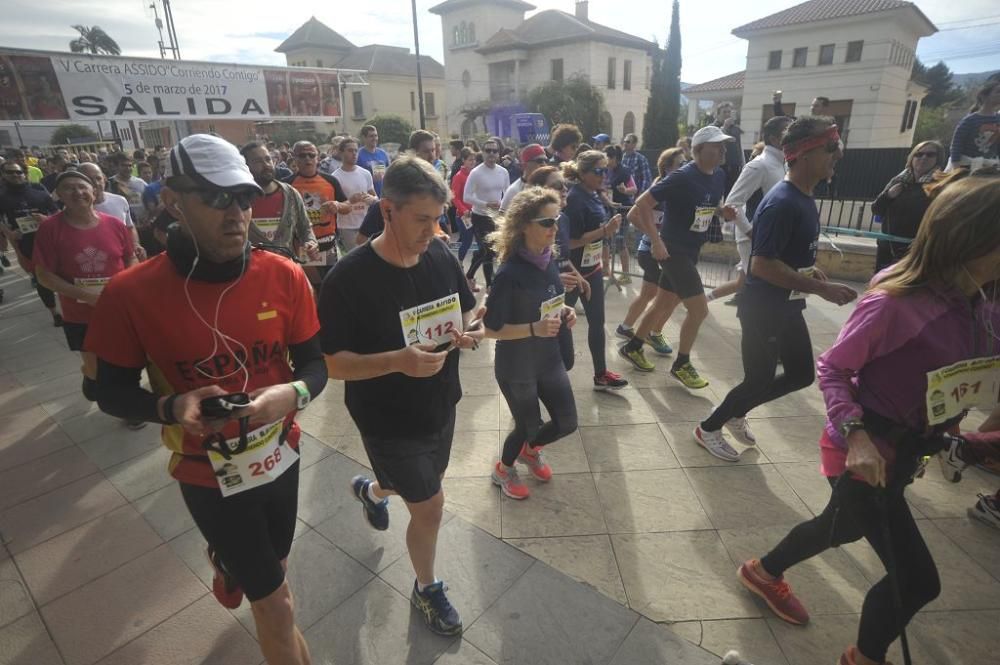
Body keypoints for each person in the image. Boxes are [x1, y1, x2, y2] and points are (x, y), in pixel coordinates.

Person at [737, 171, 1000, 665]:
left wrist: (956, 436)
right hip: (865, 447)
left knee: (841, 527)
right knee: (917, 579)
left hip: (910, 449)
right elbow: (834, 367)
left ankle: (763, 571)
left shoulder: (987, 302)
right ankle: (864, 656)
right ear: (977, 238)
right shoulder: (897, 303)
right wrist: (856, 436)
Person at [85, 134, 325, 665]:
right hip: (207, 471)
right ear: (173, 200)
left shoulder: (283, 274)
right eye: (216, 198)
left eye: (243, 196)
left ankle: (231, 563)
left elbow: (316, 364)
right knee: (278, 605)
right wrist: (170, 408)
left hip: (281, 452)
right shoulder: (129, 294)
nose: (237, 212)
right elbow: (103, 390)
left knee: (276, 571)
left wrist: (292, 392)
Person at [320, 156, 484, 636]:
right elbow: (329, 363)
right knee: (430, 505)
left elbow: (467, 313)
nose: (434, 230)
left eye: (439, 219)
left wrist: (468, 332)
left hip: (441, 401)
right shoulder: (348, 279)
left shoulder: (440, 255)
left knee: (416, 485)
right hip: (385, 416)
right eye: (422, 219)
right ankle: (426, 588)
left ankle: (372, 491)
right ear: (387, 211)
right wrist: (397, 360)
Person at [695, 117, 858, 461]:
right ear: (802, 153)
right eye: (831, 147)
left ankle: (737, 412)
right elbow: (762, 264)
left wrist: (812, 272)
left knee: (800, 374)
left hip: (786, 305)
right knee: (758, 378)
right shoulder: (782, 202)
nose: (838, 154)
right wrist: (818, 288)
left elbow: (784, 255)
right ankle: (709, 427)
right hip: (763, 308)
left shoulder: (804, 197)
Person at [621, 126, 737, 385]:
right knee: (699, 310)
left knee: (663, 303)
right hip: (673, 250)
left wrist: (721, 212)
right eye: (716, 146)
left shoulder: (718, 175)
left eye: (723, 146)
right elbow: (641, 203)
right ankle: (682, 364)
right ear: (697, 150)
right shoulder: (683, 176)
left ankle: (634, 346)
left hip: (692, 248)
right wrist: (656, 240)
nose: (722, 150)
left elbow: (706, 206)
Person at [484, 187, 579, 499]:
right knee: (528, 425)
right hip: (517, 365)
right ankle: (503, 469)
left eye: (557, 220)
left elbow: (548, 300)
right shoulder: (509, 273)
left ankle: (531, 450)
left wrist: (562, 311)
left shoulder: (547, 259)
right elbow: (490, 329)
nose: (555, 228)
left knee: (567, 422)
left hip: (548, 358)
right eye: (547, 222)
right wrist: (534, 328)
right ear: (524, 225)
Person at [32, 171, 137, 416]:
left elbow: (130, 257)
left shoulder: (115, 224)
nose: (77, 192)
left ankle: (128, 409)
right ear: (58, 195)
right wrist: (87, 295)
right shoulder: (50, 228)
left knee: (128, 361)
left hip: (117, 310)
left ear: (93, 191)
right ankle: (90, 378)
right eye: (69, 188)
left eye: (82, 187)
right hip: (80, 314)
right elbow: (44, 275)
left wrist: (125, 287)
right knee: (95, 370)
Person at [707, 115, 792, 304]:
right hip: (755, 239)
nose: (794, 137)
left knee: (746, 284)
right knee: (758, 288)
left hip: (771, 239)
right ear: (774, 138)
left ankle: (701, 301)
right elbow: (732, 203)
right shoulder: (759, 165)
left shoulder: (783, 165)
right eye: (789, 132)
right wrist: (751, 232)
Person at [562, 150, 629, 390]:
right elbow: (570, 242)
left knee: (597, 323)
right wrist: (605, 231)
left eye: (606, 170)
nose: (604, 175)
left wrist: (603, 249)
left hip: (591, 269)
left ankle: (601, 374)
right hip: (571, 272)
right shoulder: (575, 198)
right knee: (559, 323)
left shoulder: (594, 194)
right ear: (583, 173)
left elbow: (598, 234)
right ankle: (551, 372)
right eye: (598, 171)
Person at [615, 148, 685, 354]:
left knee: (650, 294)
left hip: (655, 250)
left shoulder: (673, 187)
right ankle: (653, 333)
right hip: (652, 251)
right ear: (667, 168)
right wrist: (655, 237)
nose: (685, 167)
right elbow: (632, 215)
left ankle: (627, 327)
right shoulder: (661, 188)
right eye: (680, 164)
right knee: (668, 296)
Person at [528, 166, 591, 371]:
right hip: (532, 305)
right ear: (540, 191)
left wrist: (577, 275)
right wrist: (554, 277)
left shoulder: (562, 219)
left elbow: (560, 256)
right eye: (557, 186)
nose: (565, 190)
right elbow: (525, 266)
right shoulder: (530, 227)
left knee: (566, 360)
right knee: (545, 362)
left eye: (566, 185)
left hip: (556, 299)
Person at [0, 160, 60, 323]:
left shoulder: (38, 188)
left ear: (24, 173)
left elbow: (55, 211)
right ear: (3, 175)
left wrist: (46, 220)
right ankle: (55, 313)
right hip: (26, 242)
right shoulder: (2, 195)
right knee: (41, 278)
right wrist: (9, 232)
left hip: (50, 238)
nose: (15, 175)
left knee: (62, 273)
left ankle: (69, 305)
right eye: (10, 172)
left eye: (18, 172)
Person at [872, 140, 945, 271]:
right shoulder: (899, 180)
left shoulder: (939, 186)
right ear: (912, 157)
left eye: (930, 155)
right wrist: (888, 196)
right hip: (887, 248)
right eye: (919, 154)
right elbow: (877, 209)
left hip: (916, 252)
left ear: (938, 159)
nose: (923, 158)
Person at [283, 141, 350, 280]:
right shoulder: (286, 185)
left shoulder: (331, 181)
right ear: (294, 158)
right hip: (302, 245)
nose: (307, 159)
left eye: (311, 155)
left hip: (328, 243)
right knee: (309, 285)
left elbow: (347, 207)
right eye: (302, 155)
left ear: (317, 157)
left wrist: (337, 205)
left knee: (331, 283)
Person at [241, 142, 318, 259]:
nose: (266, 165)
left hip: (286, 270)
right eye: (258, 161)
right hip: (251, 271)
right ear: (245, 166)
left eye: (268, 159)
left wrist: (311, 242)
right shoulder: (238, 199)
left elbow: (305, 227)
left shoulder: (291, 194)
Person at [463, 138, 510, 290]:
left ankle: (469, 275)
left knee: (488, 251)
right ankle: (490, 285)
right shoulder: (476, 173)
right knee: (488, 250)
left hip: (496, 217)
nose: (491, 154)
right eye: (488, 150)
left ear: (499, 153)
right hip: (480, 216)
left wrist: (503, 209)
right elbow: (466, 196)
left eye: (494, 151)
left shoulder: (503, 172)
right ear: (482, 153)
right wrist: (486, 204)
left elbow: (507, 193)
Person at [76, 162, 145, 262]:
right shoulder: (75, 209)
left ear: (104, 178)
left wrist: (135, 244)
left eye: (98, 178)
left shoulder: (120, 201)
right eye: (89, 180)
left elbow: (129, 226)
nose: (96, 183)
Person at [332, 136, 377, 253]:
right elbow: (334, 206)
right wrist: (351, 200)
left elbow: (375, 197)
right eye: (350, 150)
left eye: (356, 150)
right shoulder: (335, 177)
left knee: (371, 257)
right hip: (347, 226)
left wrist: (370, 198)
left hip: (367, 223)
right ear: (341, 153)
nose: (354, 154)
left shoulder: (365, 173)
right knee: (356, 258)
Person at [946, 80, 999, 171]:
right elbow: (956, 145)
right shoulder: (969, 121)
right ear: (984, 96)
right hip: (966, 167)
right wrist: (956, 169)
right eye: (998, 92)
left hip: (991, 168)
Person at [603, 145, 637, 283]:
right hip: (609, 210)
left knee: (619, 241)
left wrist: (625, 191)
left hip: (622, 210)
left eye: (607, 157)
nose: (604, 159)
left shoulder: (624, 172)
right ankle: (608, 271)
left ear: (614, 158)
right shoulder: (606, 170)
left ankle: (626, 274)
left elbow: (634, 189)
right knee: (607, 240)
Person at [450, 147, 478, 267]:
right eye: (470, 160)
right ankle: (459, 263)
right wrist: (464, 210)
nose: (472, 162)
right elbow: (454, 197)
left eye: (474, 160)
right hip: (463, 216)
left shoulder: (476, 174)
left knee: (482, 242)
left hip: (477, 213)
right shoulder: (459, 176)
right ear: (463, 160)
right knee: (466, 241)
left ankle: (477, 264)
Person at [500, 144, 548, 211]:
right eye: (539, 161)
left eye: (546, 161)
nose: (544, 164)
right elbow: (501, 217)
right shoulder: (514, 190)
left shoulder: (548, 186)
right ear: (526, 164)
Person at [107, 152, 149, 226]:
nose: (128, 168)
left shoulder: (140, 182)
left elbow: (149, 200)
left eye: (130, 165)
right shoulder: (110, 183)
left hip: (142, 224)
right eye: (124, 165)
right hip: (121, 224)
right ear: (117, 166)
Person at [713, 103, 746, 194]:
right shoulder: (713, 127)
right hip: (718, 167)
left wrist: (742, 163)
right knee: (716, 194)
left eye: (729, 112)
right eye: (724, 112)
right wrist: (725, 127)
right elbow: (715, 141)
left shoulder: (735, 128)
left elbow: (739, 147)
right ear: (718, 114)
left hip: (734, 167)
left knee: (731, 194)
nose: (727, 114)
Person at [357, 125, 391, 196]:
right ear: (364, 138)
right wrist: (371, 180)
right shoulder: (358, 155)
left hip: (383, 196)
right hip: (367, 197)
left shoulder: (383, 153)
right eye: (371, 136)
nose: (374, 138)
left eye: (376, 136)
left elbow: (389, 173)